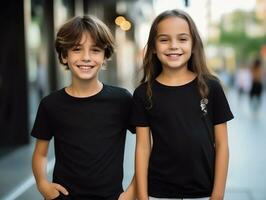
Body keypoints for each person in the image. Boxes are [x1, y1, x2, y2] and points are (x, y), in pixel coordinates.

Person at [131, 9, 234, 200]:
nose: (173, 46)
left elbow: (222, 144)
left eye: (182, 39)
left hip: (203, 193)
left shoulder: (211, 87)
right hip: (158, 193)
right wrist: (142, 196)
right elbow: (143, 148)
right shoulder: (143, 93)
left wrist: (217, 195)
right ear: (153, 47)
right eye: (164, 39)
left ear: (194, 45)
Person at [31, 15, 135, 200]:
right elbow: (40, 154)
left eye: (95, 50)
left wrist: (133, 191)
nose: (86, 57)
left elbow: (146, 144)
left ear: (105, 56)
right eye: (77, 49)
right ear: (64, 55)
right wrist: (42, 184)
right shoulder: (50, 104)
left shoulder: (122, 100)